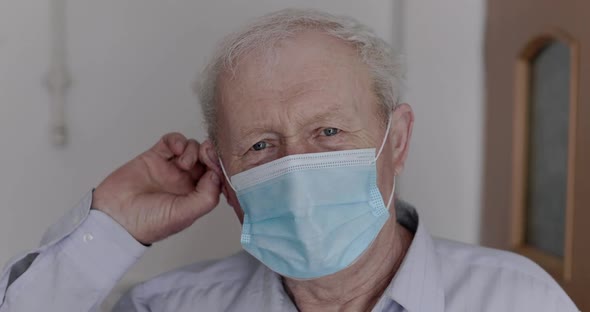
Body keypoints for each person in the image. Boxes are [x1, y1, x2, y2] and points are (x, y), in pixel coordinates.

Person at [0, 8, 579, 312]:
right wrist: (113, 225)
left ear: (396, 140)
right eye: (261, 146)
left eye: (328, 130)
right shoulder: (166, 307)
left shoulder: (518, 300)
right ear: (221, 175)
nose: (298, 169)